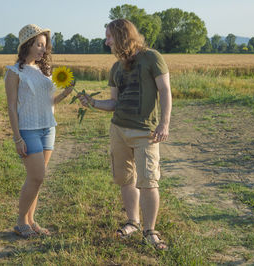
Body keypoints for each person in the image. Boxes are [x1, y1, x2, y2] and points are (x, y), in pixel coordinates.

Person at [78, 19, 172, 250]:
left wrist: (164, 123)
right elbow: (114, 102)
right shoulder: (116, 67)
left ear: (121, 36)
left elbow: (165, 90)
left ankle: (150, 231)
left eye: (109, 36)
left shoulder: (152, 58)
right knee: (125, 179)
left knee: (149, 182)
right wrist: (92, 102)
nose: (106, 41)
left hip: (145, 132)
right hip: (118, 130)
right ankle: (133, 222)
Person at [5, 24, 73, 238]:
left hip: (48, 128)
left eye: (45, 45)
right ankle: (20, 222)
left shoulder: (44, 72)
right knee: (36, 176)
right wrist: (17, 138)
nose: (44, 50)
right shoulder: (14, 72)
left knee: (37, 179)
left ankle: (31, 221)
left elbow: (49, 101)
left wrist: (65, 94)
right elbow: (12, 107)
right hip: (28, 130)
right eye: (39, 45)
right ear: (27, 45)